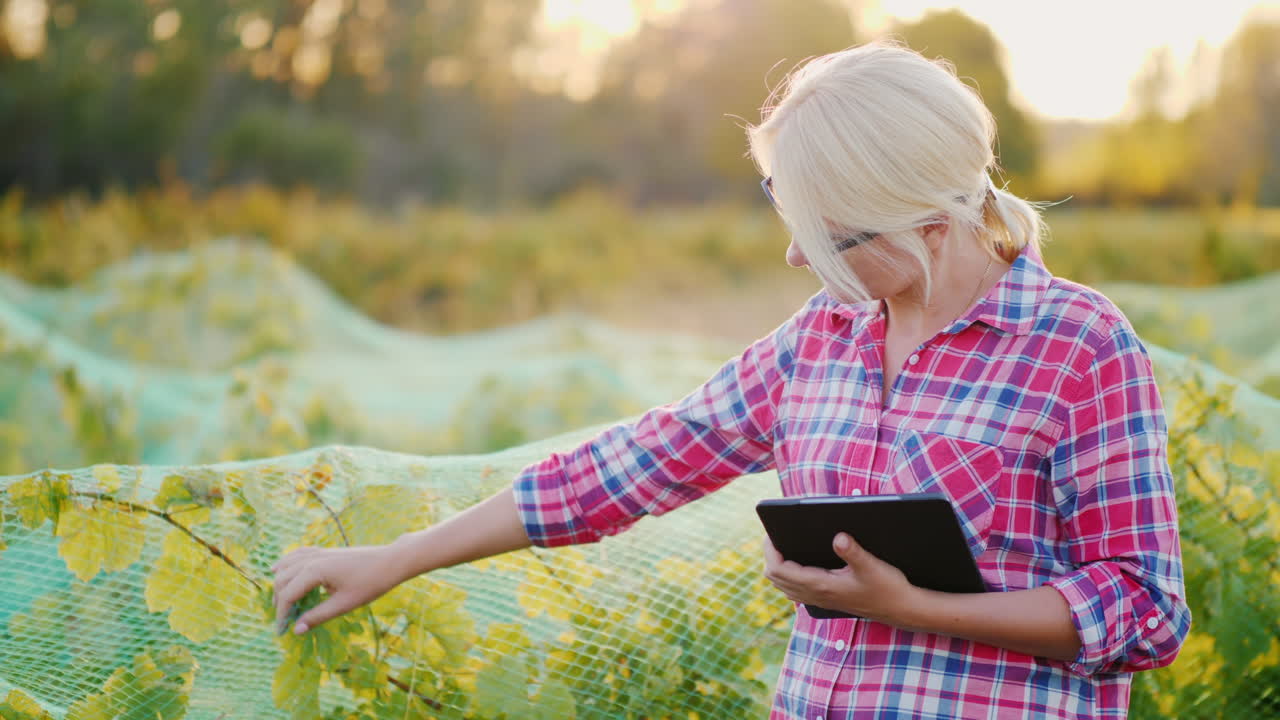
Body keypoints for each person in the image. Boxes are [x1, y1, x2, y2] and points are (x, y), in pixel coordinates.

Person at [272, 41, 1189, 718]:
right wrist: (392, 560)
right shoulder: (820, 341)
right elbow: (631, 466)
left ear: (925, 222)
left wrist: (915, 607)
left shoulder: (1078, 345)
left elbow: (1145, 607)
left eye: (828, 235)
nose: (796, 257)